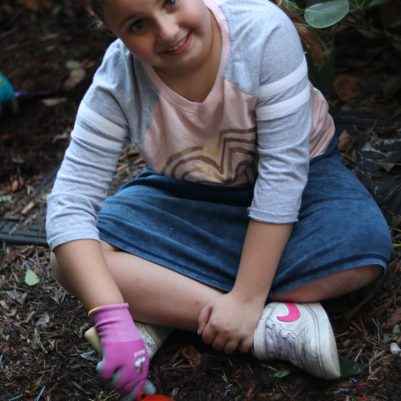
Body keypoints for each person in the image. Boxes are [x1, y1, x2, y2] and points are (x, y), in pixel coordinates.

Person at [46, 0, 393, 399]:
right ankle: (270, 326)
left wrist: (247, 298)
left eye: (171, 3)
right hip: (192, 195)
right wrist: (110, 318)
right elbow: (70, 203)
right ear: (112, 29)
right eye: (139, 24)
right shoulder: (119, 79)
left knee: (362, 243)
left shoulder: (263, 33)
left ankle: (166, 305)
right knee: (69, 259)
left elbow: (283, 176)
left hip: (303, 184)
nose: (168, 31)